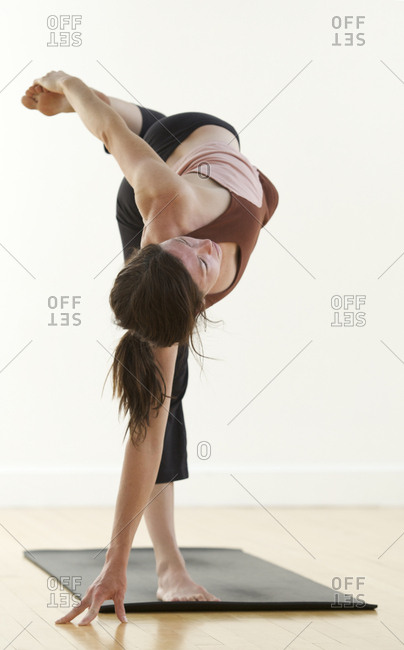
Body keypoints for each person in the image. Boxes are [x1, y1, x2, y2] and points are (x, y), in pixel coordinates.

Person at [21, 70, 279, 625]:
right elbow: (146, 434)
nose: (207, 245)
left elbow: (111, 131)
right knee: (162, 397)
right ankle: (168, 564)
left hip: (187, 148)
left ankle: (78, 96)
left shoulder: (169, 206)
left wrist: (70, 89)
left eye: (194, 248)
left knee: (145, 147)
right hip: (177, 175)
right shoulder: (169, 295)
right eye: (202, 258)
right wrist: (116, 563)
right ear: (191, 314)